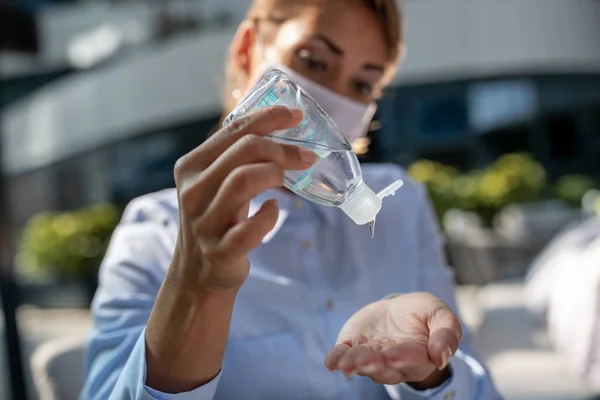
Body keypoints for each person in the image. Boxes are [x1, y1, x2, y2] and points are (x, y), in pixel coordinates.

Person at [81, 0, 502, 399]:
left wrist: (430, 373)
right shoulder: (153, 233)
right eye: (313, 61)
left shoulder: (401, 204)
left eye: (362, 84)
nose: (332, 100)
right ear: (249, 50)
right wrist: (196, 289)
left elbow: (478, 386)